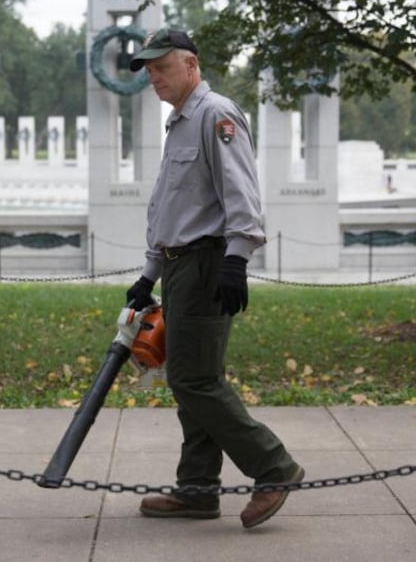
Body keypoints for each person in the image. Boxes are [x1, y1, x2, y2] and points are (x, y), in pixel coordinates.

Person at [124, 28, 304, 529]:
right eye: (149, 70)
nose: (154, 78)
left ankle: (274, 466)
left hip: (207, 263)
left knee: (194, 378)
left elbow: (241, 191)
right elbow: (171, 206)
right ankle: (198, 490)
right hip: (180, 267)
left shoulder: (215, 115)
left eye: (161, 67)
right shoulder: (179, 123)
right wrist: (149, 274)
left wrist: (237, 258)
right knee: (190, 376)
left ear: (191, 66)